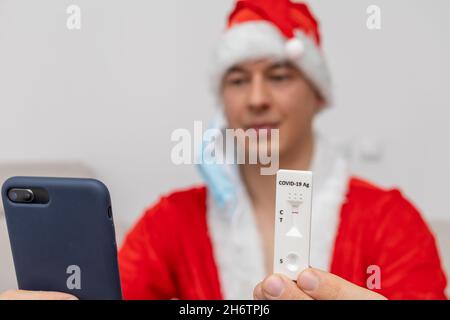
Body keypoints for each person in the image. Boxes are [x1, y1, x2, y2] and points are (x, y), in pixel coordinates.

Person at [1, 0, 447, 300]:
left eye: (279, 76)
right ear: (223, 101)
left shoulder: (390, 221)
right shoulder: (171, 222)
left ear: (318, 94)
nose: (256, 99)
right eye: (237, 80)